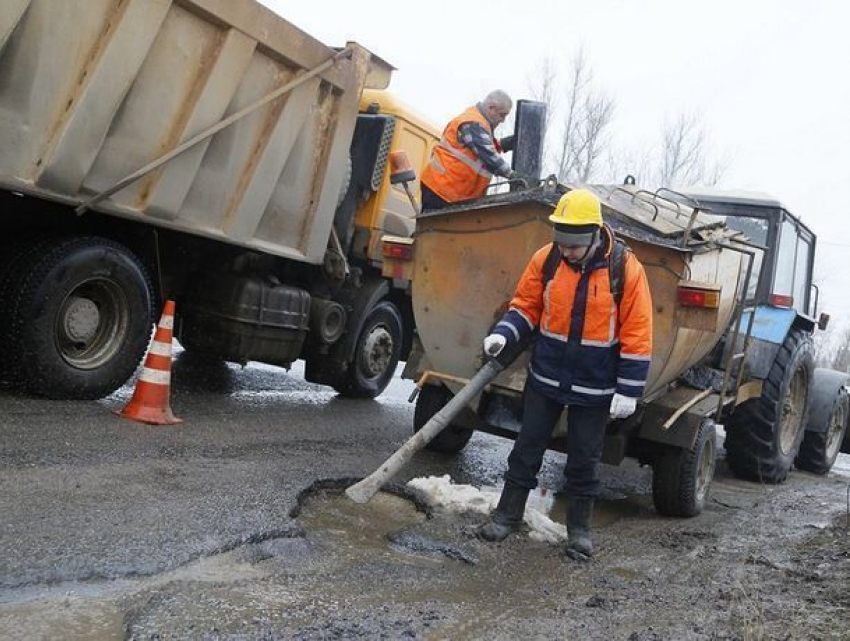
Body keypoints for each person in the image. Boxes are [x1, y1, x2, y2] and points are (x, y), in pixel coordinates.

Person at [477, 188, 653, 560]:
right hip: (546, 378)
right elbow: (525, 307)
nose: (567, 252)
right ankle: (506, 516)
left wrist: (628, 390)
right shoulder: (547, 260)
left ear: (594, 234)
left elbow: (638, 331)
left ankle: (579, 533)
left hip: (595, 386)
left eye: (574, 246)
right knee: (526, 450)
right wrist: (502, 335)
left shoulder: (625, 270)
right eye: (562, 244)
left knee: (583, 461)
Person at [420, 90, 524, 210]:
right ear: (491, 108)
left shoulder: (479, 122)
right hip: (442, 190)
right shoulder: (473, 123)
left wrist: (502, 144)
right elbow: (488, 154)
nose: (503, 120)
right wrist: (513, 175)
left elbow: (479, 149)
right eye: (502, 115)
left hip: (448, 190)